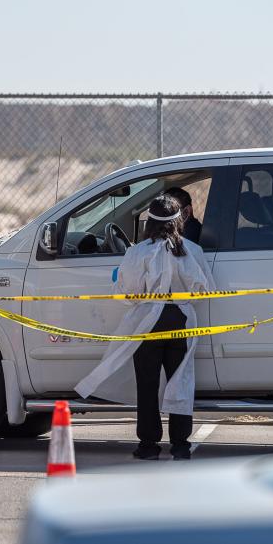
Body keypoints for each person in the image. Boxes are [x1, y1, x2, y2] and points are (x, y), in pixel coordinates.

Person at [76, 194, 215, 460]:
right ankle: (181, 445)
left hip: (146, 324)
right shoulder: (192, 250)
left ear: (149, 221)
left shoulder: (137, 252)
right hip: (182, 322)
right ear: (179, 220)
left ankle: (149, 445)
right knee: (181, 380)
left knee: (148, 384)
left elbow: (127, 293)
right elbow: (205, 290)